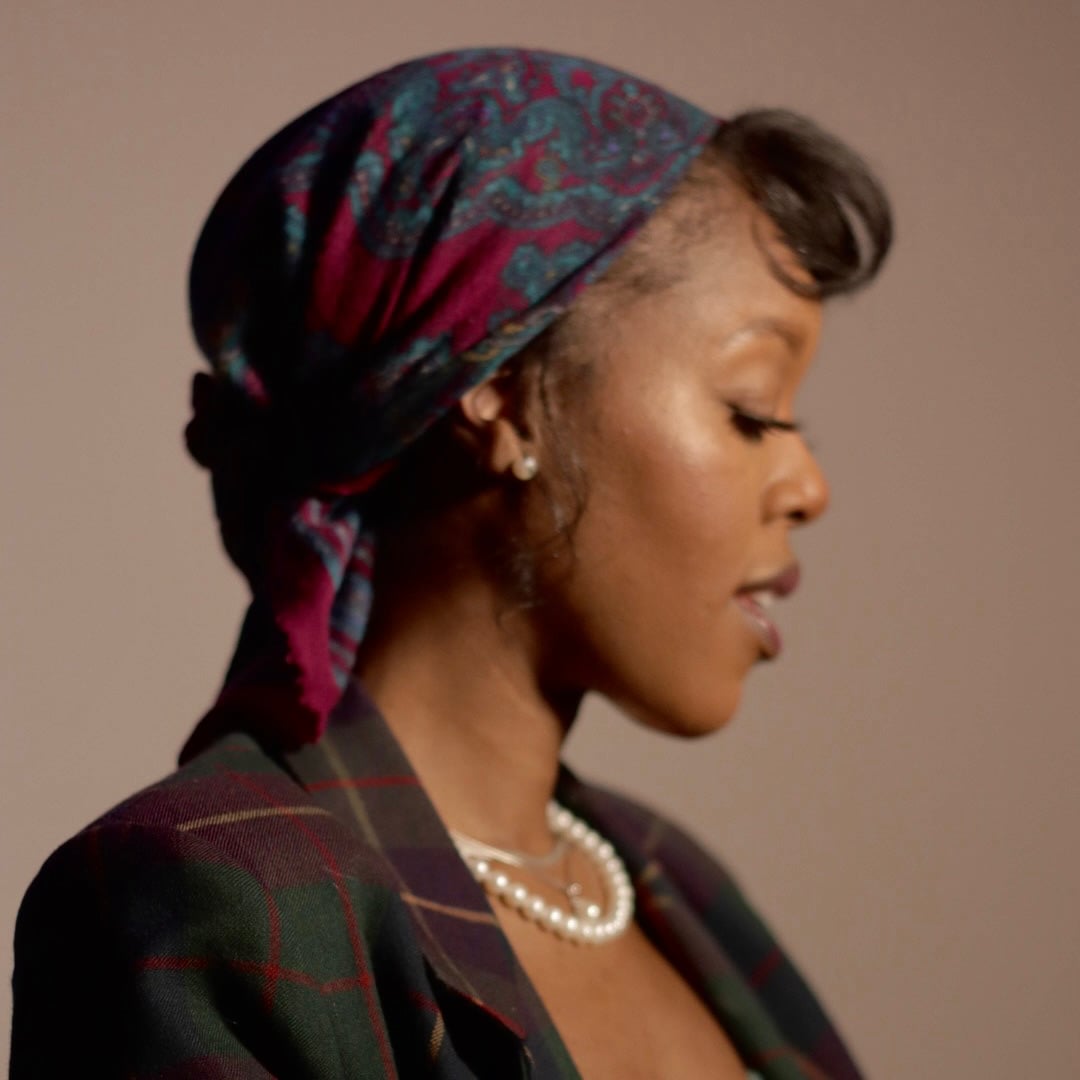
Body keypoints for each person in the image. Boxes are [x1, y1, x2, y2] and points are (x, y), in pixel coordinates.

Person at [10, 47, 891, 1078]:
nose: (809, 487)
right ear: (502, 395)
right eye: (752, 412)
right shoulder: (216, 901)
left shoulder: (677, 885)